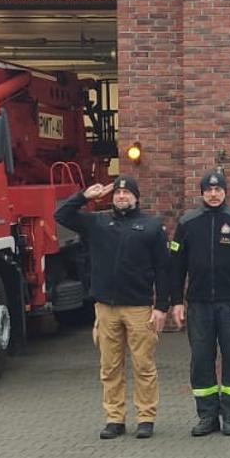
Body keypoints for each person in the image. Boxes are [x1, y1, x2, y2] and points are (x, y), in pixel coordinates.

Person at [55, 175, 175, 440]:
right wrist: (85, 196)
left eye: (127, 193)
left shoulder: (151, 227)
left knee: (143, 365)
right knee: (110, 367)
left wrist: (162, 307)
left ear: (136, 197)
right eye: (118, 193)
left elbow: (163, 270)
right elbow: (61, 214)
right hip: (105, 308)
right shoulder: (98, 222)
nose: (121, 196)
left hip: (139, 308)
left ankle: (145, 417)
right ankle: (114, 419)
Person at [166, 170, 230, 437]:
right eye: (209, 190)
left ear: (225, 191)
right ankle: (207, 415)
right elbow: (176, 267)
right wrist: (176, 302)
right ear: (202, 193)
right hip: (198, 304)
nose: (214, 194)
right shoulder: (188, 223)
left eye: (218, 190)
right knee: (201, 360)